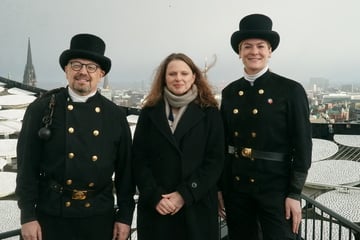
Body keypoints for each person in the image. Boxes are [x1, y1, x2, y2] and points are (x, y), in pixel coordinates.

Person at [15, 33, 135, 240]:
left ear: (101, 73)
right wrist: (27, 216)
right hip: (51, 216)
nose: (83, 73)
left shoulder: (115, 115)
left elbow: (126, 173)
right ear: (66, 70)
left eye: (91, 67)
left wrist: (124, 217)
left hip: (99, 217)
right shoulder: (41, 109)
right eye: (76, 65)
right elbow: (27, 166)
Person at [218, 14, 312, 240]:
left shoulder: (290, 90)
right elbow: (222, 145)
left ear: (270, 51)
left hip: (275, 191)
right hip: (237, 189)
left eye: (261, 46)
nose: (254, 52)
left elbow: (302, 146)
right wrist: (220, 188)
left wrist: (294, 193)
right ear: (239, 53)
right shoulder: (229, 92)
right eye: (247, 46)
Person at [132, 53, 224, 240]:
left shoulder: (209, 112)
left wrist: (184, 194)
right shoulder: (149, 112)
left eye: (184, 73)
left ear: (194, 77)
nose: (178, 78)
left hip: (195, 207)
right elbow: (138, 159)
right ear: (164, 78)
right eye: (172, 74)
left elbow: (215, 160)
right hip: (157, 208)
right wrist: (155, 195)